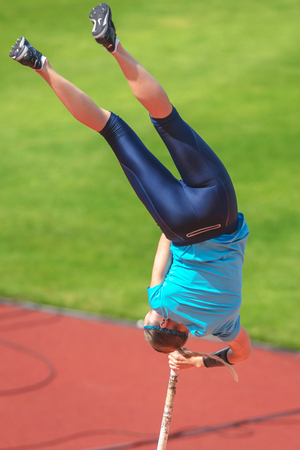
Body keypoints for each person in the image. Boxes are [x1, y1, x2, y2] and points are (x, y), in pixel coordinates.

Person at [9, 3, 252, 372]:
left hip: (221, 208)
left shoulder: (223, 327)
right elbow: (165, 240)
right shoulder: (161, 299)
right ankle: (39, 62)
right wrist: (167, 211)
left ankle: (113, 45)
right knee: (113, 128)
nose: (149, 316)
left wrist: (198, 363)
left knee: (167, 119)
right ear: (165, 324)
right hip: (179, 222)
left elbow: (242, 353)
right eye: (149, 322)